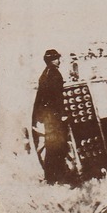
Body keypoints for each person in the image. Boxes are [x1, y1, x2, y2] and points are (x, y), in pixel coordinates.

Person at [32, 49, 70, 184]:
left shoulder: (45, 73)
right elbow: (57, 97)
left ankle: (52, 176)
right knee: (57, 145)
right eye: (56, 59)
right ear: (50, 61)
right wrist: (63, 114)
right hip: (54, 116)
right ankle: (56, 177)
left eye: (58, 58)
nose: (58, 61)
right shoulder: (54, 73)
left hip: (48, 116)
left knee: (52, 144)